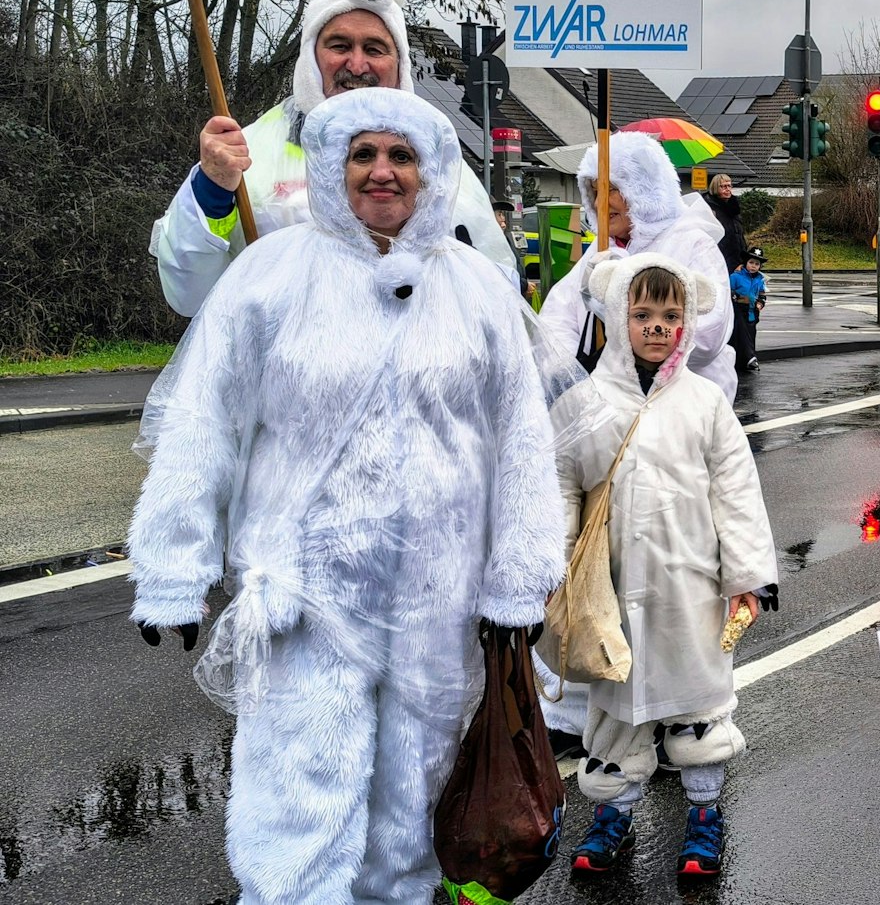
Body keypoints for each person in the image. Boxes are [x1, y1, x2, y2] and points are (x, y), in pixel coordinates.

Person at [128, 89, 570, 904]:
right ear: (332, 166)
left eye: (401, 156)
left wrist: (518, 577)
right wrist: (171, 566)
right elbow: (203, 423)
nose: (381, 172)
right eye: (363, 154)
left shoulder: (475, 289)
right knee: (297, 808)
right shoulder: (270, 275)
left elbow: (523, 444)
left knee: (410, 814)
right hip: (302, 600)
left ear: (431, 173)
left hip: (440, 609)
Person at [553, 253, 779, 876]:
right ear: (617, 317)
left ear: (687, 322)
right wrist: (555, 569)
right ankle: (613, 817)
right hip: (611, 591)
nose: (657, 326)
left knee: (699, 701)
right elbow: (562, 486)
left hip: (692, 587)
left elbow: (735, 492)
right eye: (642, 313)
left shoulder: (705, 402)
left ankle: (704, 815)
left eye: (671, 315)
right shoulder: (584, 403)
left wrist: (746, 577)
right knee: (613, 708)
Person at [152, 0, 515, 314]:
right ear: (311, 56)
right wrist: (211, 192)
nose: (357, 65)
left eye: (374, 49)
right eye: (340, 45)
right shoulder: (244, 155)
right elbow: (189, 295)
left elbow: (497, 295)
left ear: (399, 63)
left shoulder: (438, 162)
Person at [540, 132, 737, 398]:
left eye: (612, 190)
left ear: (646, 190)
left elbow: (707, 337)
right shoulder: (600, 249)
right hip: (609, 407)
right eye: (595, 192)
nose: (599, 203)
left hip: (683, 411)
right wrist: (564, 373)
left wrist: (616, 303)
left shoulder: (692, 244)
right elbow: (558, 315)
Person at [731, 246, 769, 372]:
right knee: (742, 333)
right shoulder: (736, 277)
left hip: (752, 311)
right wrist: (736, 297)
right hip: (738, 309)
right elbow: (728, 291)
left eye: (757, 264)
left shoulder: (760, 279)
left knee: (751, 333)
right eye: (751, 262)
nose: (753, 266)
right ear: (746, 262)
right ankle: (750, 358)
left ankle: (746, 359)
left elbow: (762, 294)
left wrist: (760, 303)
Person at [708, 173, 752, 273]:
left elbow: (739, 234)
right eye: (723, 186)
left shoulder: (734, 207)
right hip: (719, 255)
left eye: (729, 185)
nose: (727, 189)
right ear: (715, 187)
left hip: (737, 255)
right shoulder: (709, 206)